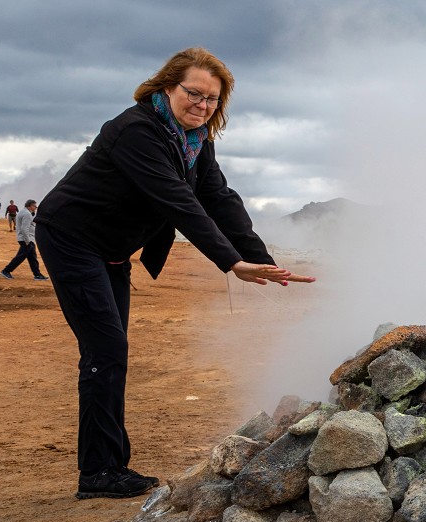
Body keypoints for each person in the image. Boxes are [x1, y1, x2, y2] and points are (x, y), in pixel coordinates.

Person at [37, 47, 314, 499]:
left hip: (109, 250)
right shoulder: (135, 130)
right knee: (105, 350)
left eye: (212, 100)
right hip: (71, 239)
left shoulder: (194, 139)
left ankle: (108, 465)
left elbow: (219, 198)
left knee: (110, 351)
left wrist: (261, 259)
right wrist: (231, 263)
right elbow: (177, 202)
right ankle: (99, 473)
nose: (202, 105)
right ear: (168, 85)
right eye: (194, 93)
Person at [0, 199, 47, 280]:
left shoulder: (24, 212)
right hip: (26, 239)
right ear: (30, 206)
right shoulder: (27, 214)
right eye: (34, 206)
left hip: (27, 239)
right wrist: (27, 240)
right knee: (20, 257)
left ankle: (37, 274)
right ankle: (6, 270)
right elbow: (24, 228)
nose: (35, 207)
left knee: (32, 258)